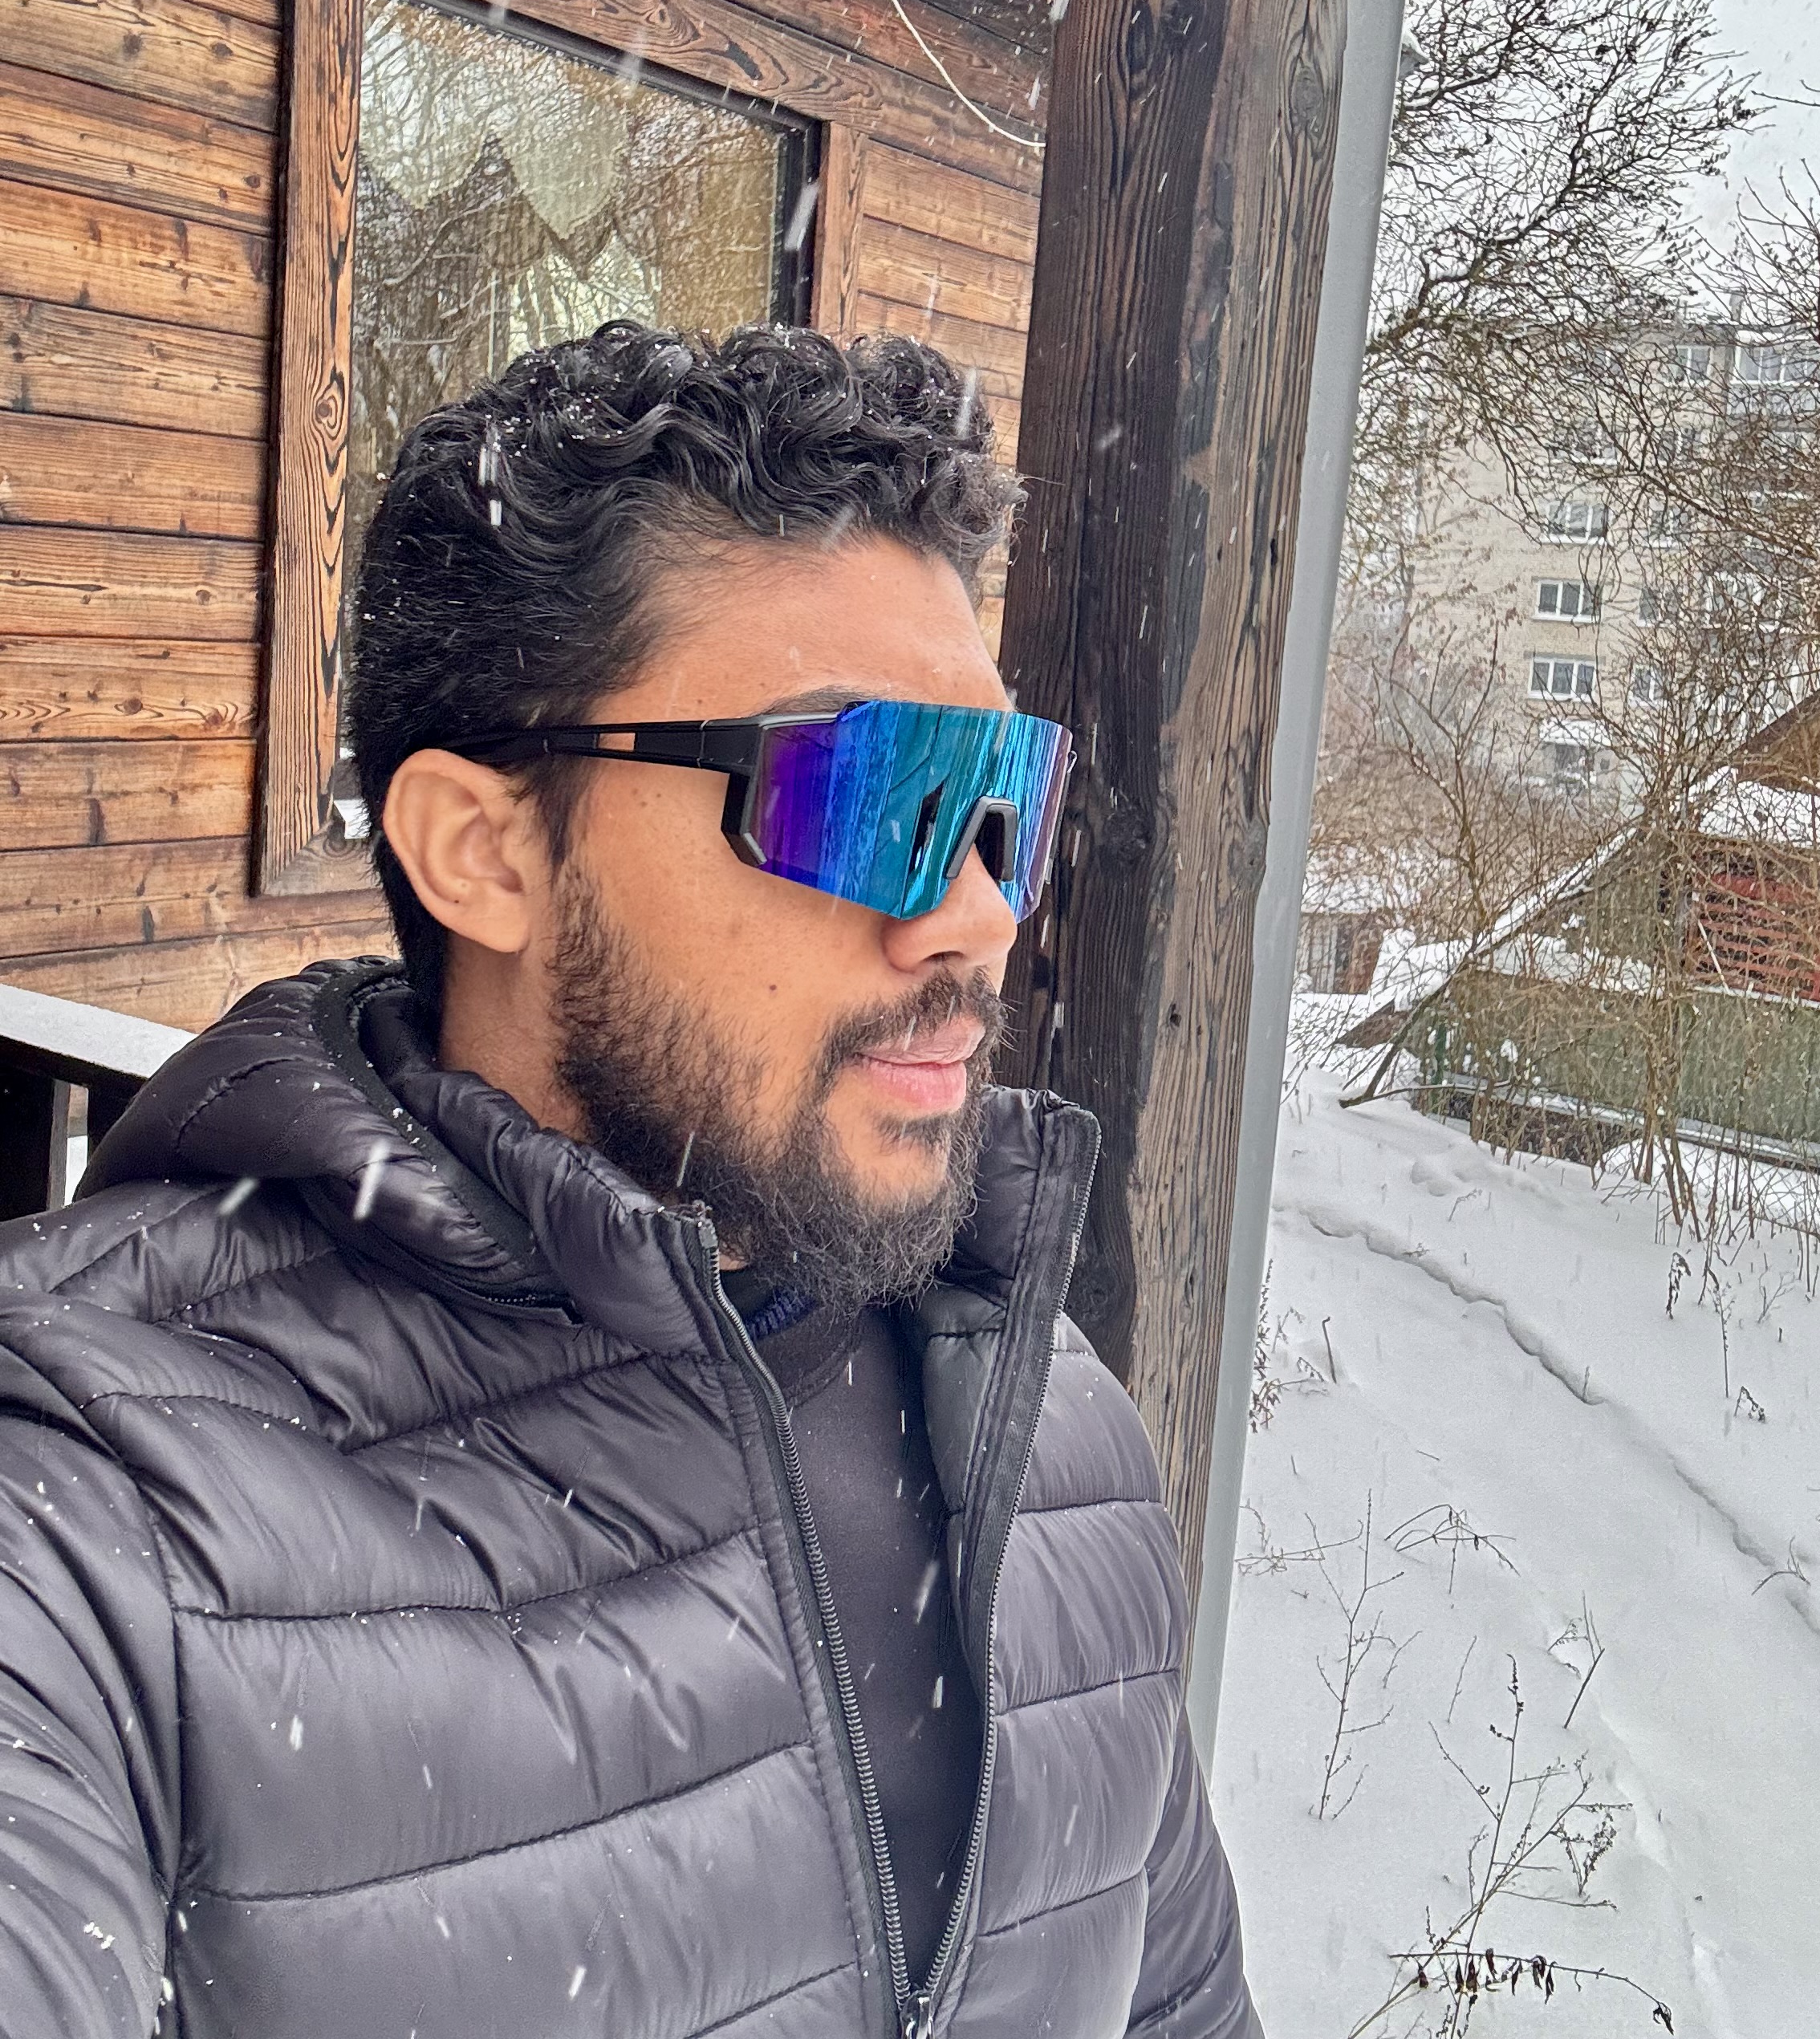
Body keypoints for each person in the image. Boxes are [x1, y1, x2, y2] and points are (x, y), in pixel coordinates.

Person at [0, 323, 1257, 2039]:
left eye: (999, 799)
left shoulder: (1053, 1441)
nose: (977, 912)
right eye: (867, 789)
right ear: (485, 849)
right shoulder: (90, 1498)